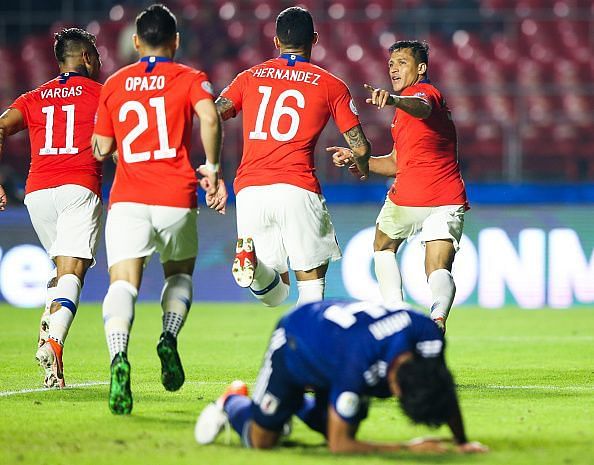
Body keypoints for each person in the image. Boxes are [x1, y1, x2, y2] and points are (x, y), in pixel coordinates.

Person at [92, 3, 222, 415]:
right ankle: (168, 336)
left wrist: (121, 150)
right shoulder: (190, 78)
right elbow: (211, 119)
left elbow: (101, 148)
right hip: (175, 197)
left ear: (135, 42)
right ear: (176, 41)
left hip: (128, 198)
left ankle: (118, 357)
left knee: (122, 285)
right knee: (179, 273)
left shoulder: (114, 83)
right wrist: (214, 170)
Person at [212, 6, 371, 308]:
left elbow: (213, 113)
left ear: (275, 41)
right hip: (297, 186)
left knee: (276, 293)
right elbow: (361, 146)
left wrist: (213, 168)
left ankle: (253, 264)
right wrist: (360, 166)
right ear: (314, 39)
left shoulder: (249, 77)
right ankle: (307, 351)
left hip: (249, 190)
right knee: (310, 284)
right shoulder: (331, 85)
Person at [195, 300, 488, 454]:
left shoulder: (429, 337)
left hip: (334, 344)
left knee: (328, 424)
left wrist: (461, 440)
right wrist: (410, 448)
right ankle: (232, 400)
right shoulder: (359, 364)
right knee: (261, 441)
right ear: (394, 388)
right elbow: (340, 445)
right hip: (295, 343)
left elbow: (442, 386)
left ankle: (292, 406)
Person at [329, 40, 468, 332]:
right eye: (391, 64)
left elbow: (422, 107)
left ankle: (402, 312)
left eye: (402, 63)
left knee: (385, 245)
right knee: (436, 266)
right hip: (438, 196)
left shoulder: (424, 93)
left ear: (421, 68)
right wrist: (357, 157)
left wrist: (393, 99)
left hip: (422, 197)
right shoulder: (405, 108)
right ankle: (434, 316)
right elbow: (395, 162)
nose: (393, 68)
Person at [0, 28, 103, 388]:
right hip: (78, 185)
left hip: (37, 193)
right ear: (87, 58)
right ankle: (54, 342)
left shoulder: (34, 97)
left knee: (60, 271)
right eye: (97, 56)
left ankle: (51, 357)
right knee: (73, 271)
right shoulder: (102, 95)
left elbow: (0, 127)